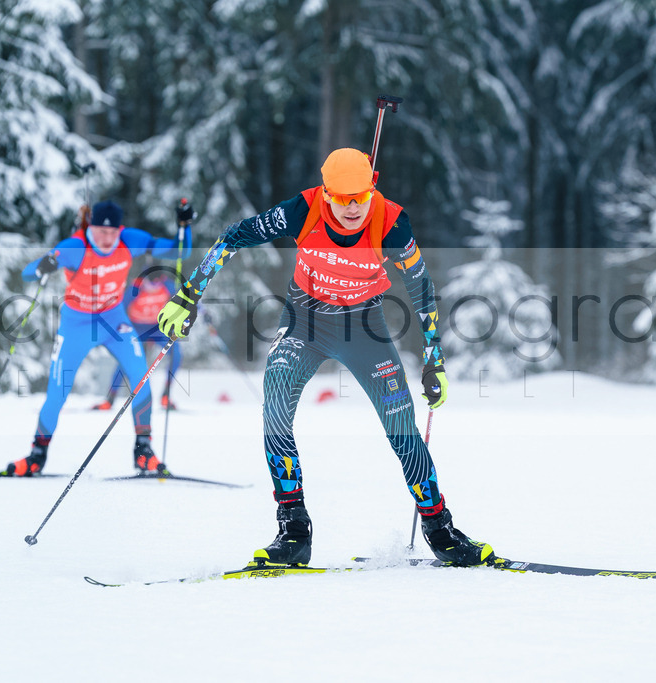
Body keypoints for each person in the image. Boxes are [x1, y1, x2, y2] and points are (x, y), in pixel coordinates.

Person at [158, 148, 494, 567]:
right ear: (326, 193)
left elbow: (421, 288)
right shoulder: (303, 209)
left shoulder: (390, 221)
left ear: (373, 187)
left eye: (361, 197)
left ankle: (440, 530)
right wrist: (189, 294)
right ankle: (294, 529)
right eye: (342, 197)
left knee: (400, 423)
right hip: (305, 321)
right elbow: (234, 236)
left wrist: (434, 358)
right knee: (275, 397)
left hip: (364, 328)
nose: (352, 207)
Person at [1, 200, 192, 476]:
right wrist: (46, 263)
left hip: (114, 322)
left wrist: (184, 226)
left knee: (142, 379)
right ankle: (36, 456)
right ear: (90, 227)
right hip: (76, 324)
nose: (107, 238)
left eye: (112, 232)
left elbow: (180, 251)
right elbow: (28, 272)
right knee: (58, 392)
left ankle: (143, 452)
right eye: (101, 232)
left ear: (120, 229)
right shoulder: (75, 247)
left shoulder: (130, 240)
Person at [92, 264, 183, 411]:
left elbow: (185, 298)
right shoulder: (136, 289)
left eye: (156, 283)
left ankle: (165, 395)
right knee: (126, 358)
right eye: (150, 283)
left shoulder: (167, 285)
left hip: (157, 328)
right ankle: (110, 399)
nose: (153, 287)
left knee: (176, 354)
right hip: (138, 328)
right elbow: (118, 307)